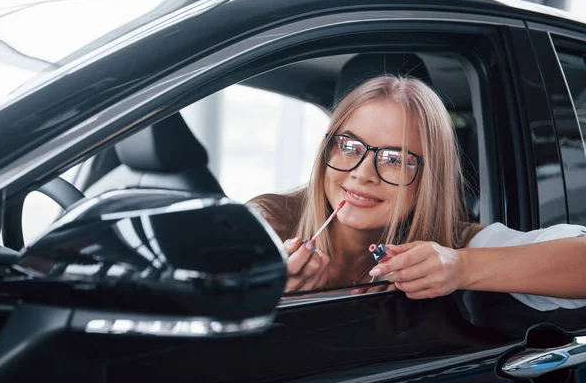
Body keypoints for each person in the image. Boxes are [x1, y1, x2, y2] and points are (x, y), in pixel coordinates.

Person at [247, 75, 586, 311]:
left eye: (395, 159)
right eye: (349, 146)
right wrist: (270, 298)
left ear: (430, 179)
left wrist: (460, 267)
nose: (361, 173)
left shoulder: (454, 243)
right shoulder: (270, 223)